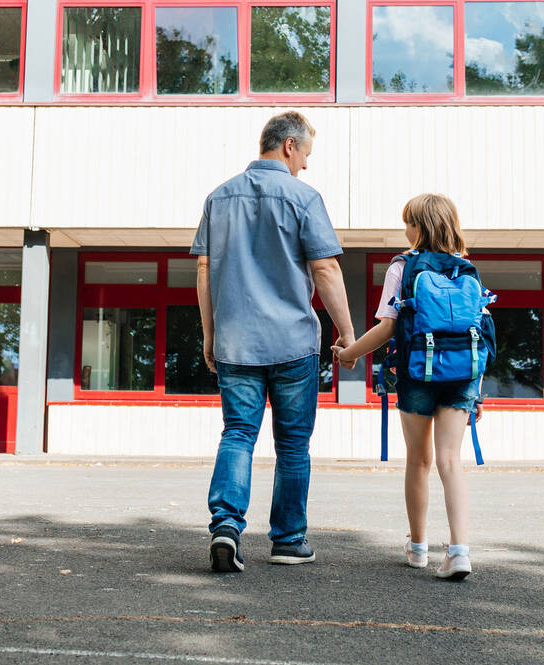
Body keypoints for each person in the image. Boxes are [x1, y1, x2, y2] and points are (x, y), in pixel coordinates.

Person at [192, 111, 354, 573]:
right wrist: (347, 335)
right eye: (305, 154)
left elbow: (203, 271)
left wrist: (210, 334)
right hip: (292, 344)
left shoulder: (218, 198)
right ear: (288, 146)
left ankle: (226, 526)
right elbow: (325, 269)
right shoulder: (304, 197)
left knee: (238, 434)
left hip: (236, 341)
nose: (306, 164)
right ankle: (288, 540)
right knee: (293, 445)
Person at [331, 193, 479, 580]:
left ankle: (418, 548)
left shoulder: (403, 266)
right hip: (462, 374)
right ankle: (459, 551)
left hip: (417, 372)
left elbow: (388, 326)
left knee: (419, 459)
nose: (405, 229)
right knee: (450, 461)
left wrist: (350, 355)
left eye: (408, 222)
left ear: (419, 227)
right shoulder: (467, 269)